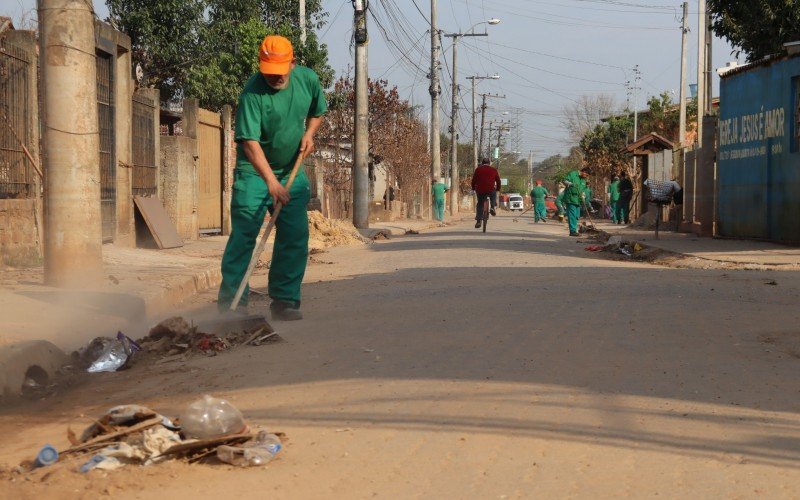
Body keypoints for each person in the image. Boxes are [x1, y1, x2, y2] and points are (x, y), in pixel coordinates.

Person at [217, 35, 327, 321]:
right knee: (244, 235)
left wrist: (309, 134)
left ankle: (285, 300)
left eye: (279, 72)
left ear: (292, 64)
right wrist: (270, 182)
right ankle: (232, 306)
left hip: (290, 170)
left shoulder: (308, 80)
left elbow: (318, 111)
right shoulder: (252, 93)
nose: (274, 78)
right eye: (268, 72)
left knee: (295, 235)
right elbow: (249, 143)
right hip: (254, 172)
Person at [471, 158, 501, 228]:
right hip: (490, 189)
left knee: (480, 204)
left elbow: (473, 180)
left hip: (480, 190)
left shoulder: (478, 169)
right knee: (493, 194)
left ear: (482, 163)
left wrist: (473, 188)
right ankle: (492, 207)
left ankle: (478, 221)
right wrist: (498, 189)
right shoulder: (494, 170)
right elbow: (498, 181)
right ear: (489, 163)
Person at [563, 167, 591, 236]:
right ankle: (572, 231)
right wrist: (570, 184)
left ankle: (574, 229)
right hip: (571, 198)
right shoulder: (573, 174)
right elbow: (564, 181)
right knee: (572, 215)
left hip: (578, 200)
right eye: (586, 175)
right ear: (583, 171)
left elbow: (583, 191)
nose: (586, 176)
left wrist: (583, 197)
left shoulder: (583, 180)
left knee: (577, 216)